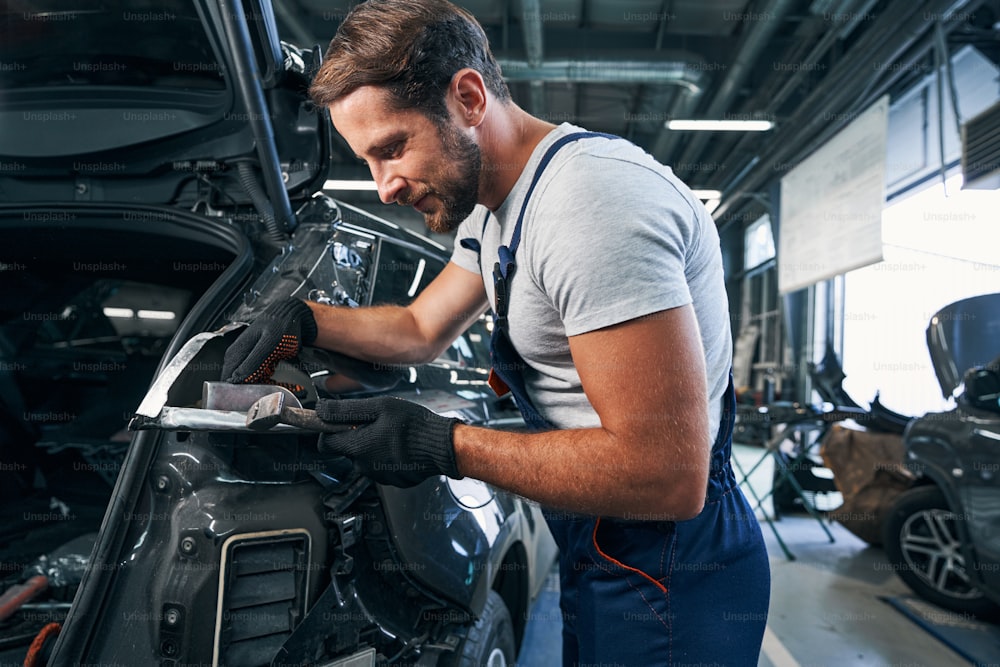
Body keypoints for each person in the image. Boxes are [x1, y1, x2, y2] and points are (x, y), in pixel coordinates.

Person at [221, 0, 770, 664]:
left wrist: (443, 444)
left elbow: (665, 475)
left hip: (671, 569)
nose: (384, 186)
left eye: (392, 148)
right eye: (367, 160)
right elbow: (422, 327)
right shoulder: (497, 209)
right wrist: (307, 319)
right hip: (606, 543)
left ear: (469, 97)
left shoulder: (589, 206)